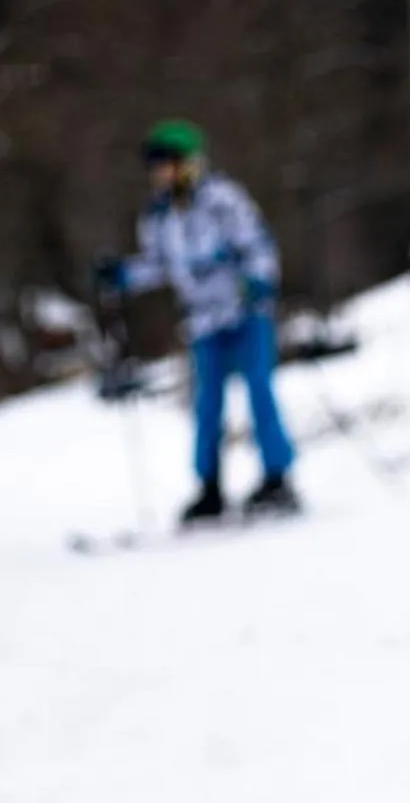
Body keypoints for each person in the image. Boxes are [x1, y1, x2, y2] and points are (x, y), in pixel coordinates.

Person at [105, 119, 298, 524]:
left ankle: (278, 478)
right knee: (206, 403)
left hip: (245, 313)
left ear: (188, 163)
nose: (159, 174)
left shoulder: (223, 200)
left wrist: (259, 279)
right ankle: (209, 487)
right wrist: (122, 275)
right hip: (203, 321)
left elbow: (258, 245)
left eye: (166, 164)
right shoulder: (158, 217)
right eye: (155, 167)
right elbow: (160, 265)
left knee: (260, 391)